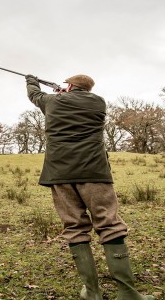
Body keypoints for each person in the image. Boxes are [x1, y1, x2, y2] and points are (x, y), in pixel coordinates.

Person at [25, 74, 154, 300]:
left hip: (60, 174)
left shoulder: (53, 102)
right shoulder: (98, 102)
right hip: (94, 171)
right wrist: (64, 92)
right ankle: (127, 293)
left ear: (71, 86)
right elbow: (74, 102)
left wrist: (31, 80)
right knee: (109, 224)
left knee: (74, 227)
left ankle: (92, 293)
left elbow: (34, 95)